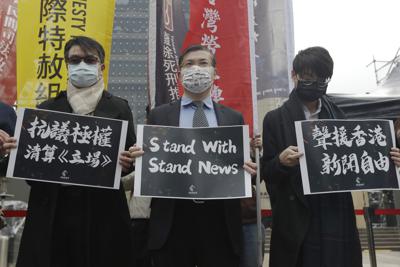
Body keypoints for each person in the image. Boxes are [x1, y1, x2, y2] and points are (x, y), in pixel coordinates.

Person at [7, 36, 136, 267]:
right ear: (67, 65)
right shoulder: (46, 110)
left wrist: (128, 162)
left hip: (102, 211)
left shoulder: (119, 108)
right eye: (75, 60)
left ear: (101, 66)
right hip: (54, 210)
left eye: (89, 59)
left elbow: (130, 161)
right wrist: (21, 155)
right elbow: (31, 177)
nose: (82, 65)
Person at [129, 44, 257, 267]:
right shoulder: (159, 114)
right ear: (179, 73)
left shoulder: (233, 118)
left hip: (219, 221)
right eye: (189, 64)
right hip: (173, 220)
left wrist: (250, 169)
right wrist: (139, 157)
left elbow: (242, 167)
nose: (196, 68)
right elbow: (150, 163)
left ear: (215, 73)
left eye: (203, 63)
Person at [261, 46, 366, 267]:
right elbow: (266, 172)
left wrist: (387, 160)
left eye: (321, 78)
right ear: (295, 75)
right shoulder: (275, 119)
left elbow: (357, 162)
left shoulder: (340, 118)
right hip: (297, 213)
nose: (315, 83)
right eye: (308, 77)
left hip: (335, 211)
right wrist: (280, 162)